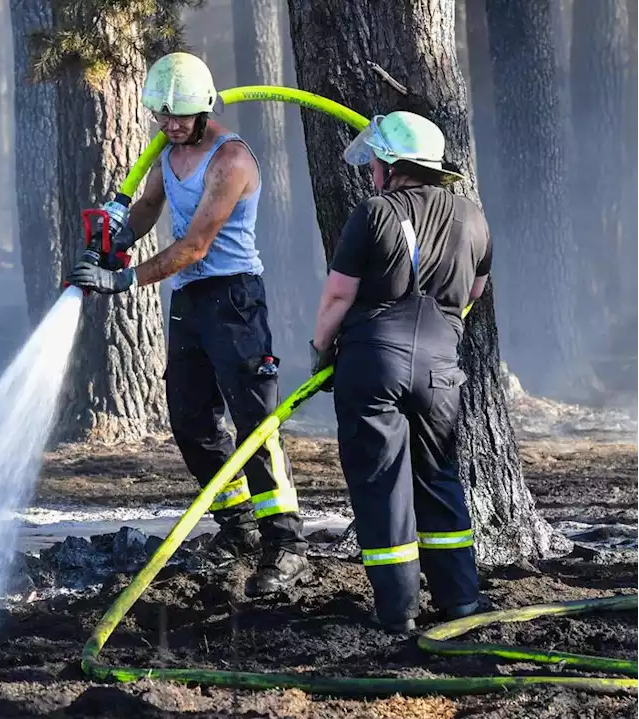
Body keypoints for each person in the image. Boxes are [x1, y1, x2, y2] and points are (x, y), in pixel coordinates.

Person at [69, 52, 311, 597]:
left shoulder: (231, 162)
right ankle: (238, 526)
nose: (171, 125)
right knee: (190, 421)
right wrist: (114, 242)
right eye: (163, 115)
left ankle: (286, 543)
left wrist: (125, 280)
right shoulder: (168, 152)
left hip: (234, 299)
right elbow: (148, 207)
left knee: (256, 423)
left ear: (205, 110)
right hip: (189, 301)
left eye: (181, 116)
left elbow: (196, 245)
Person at [308, 111, 490, 632]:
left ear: (391, 165)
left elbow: (339, 294)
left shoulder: (375, 213)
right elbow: (474, 293)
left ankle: (399, 612)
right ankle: (460, 601)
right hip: (440, 369)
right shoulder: (473, 218)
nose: (371, 172)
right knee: (438, 478)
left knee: (382, 484)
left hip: (373, 363)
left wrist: (320, 350)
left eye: (375, 162)